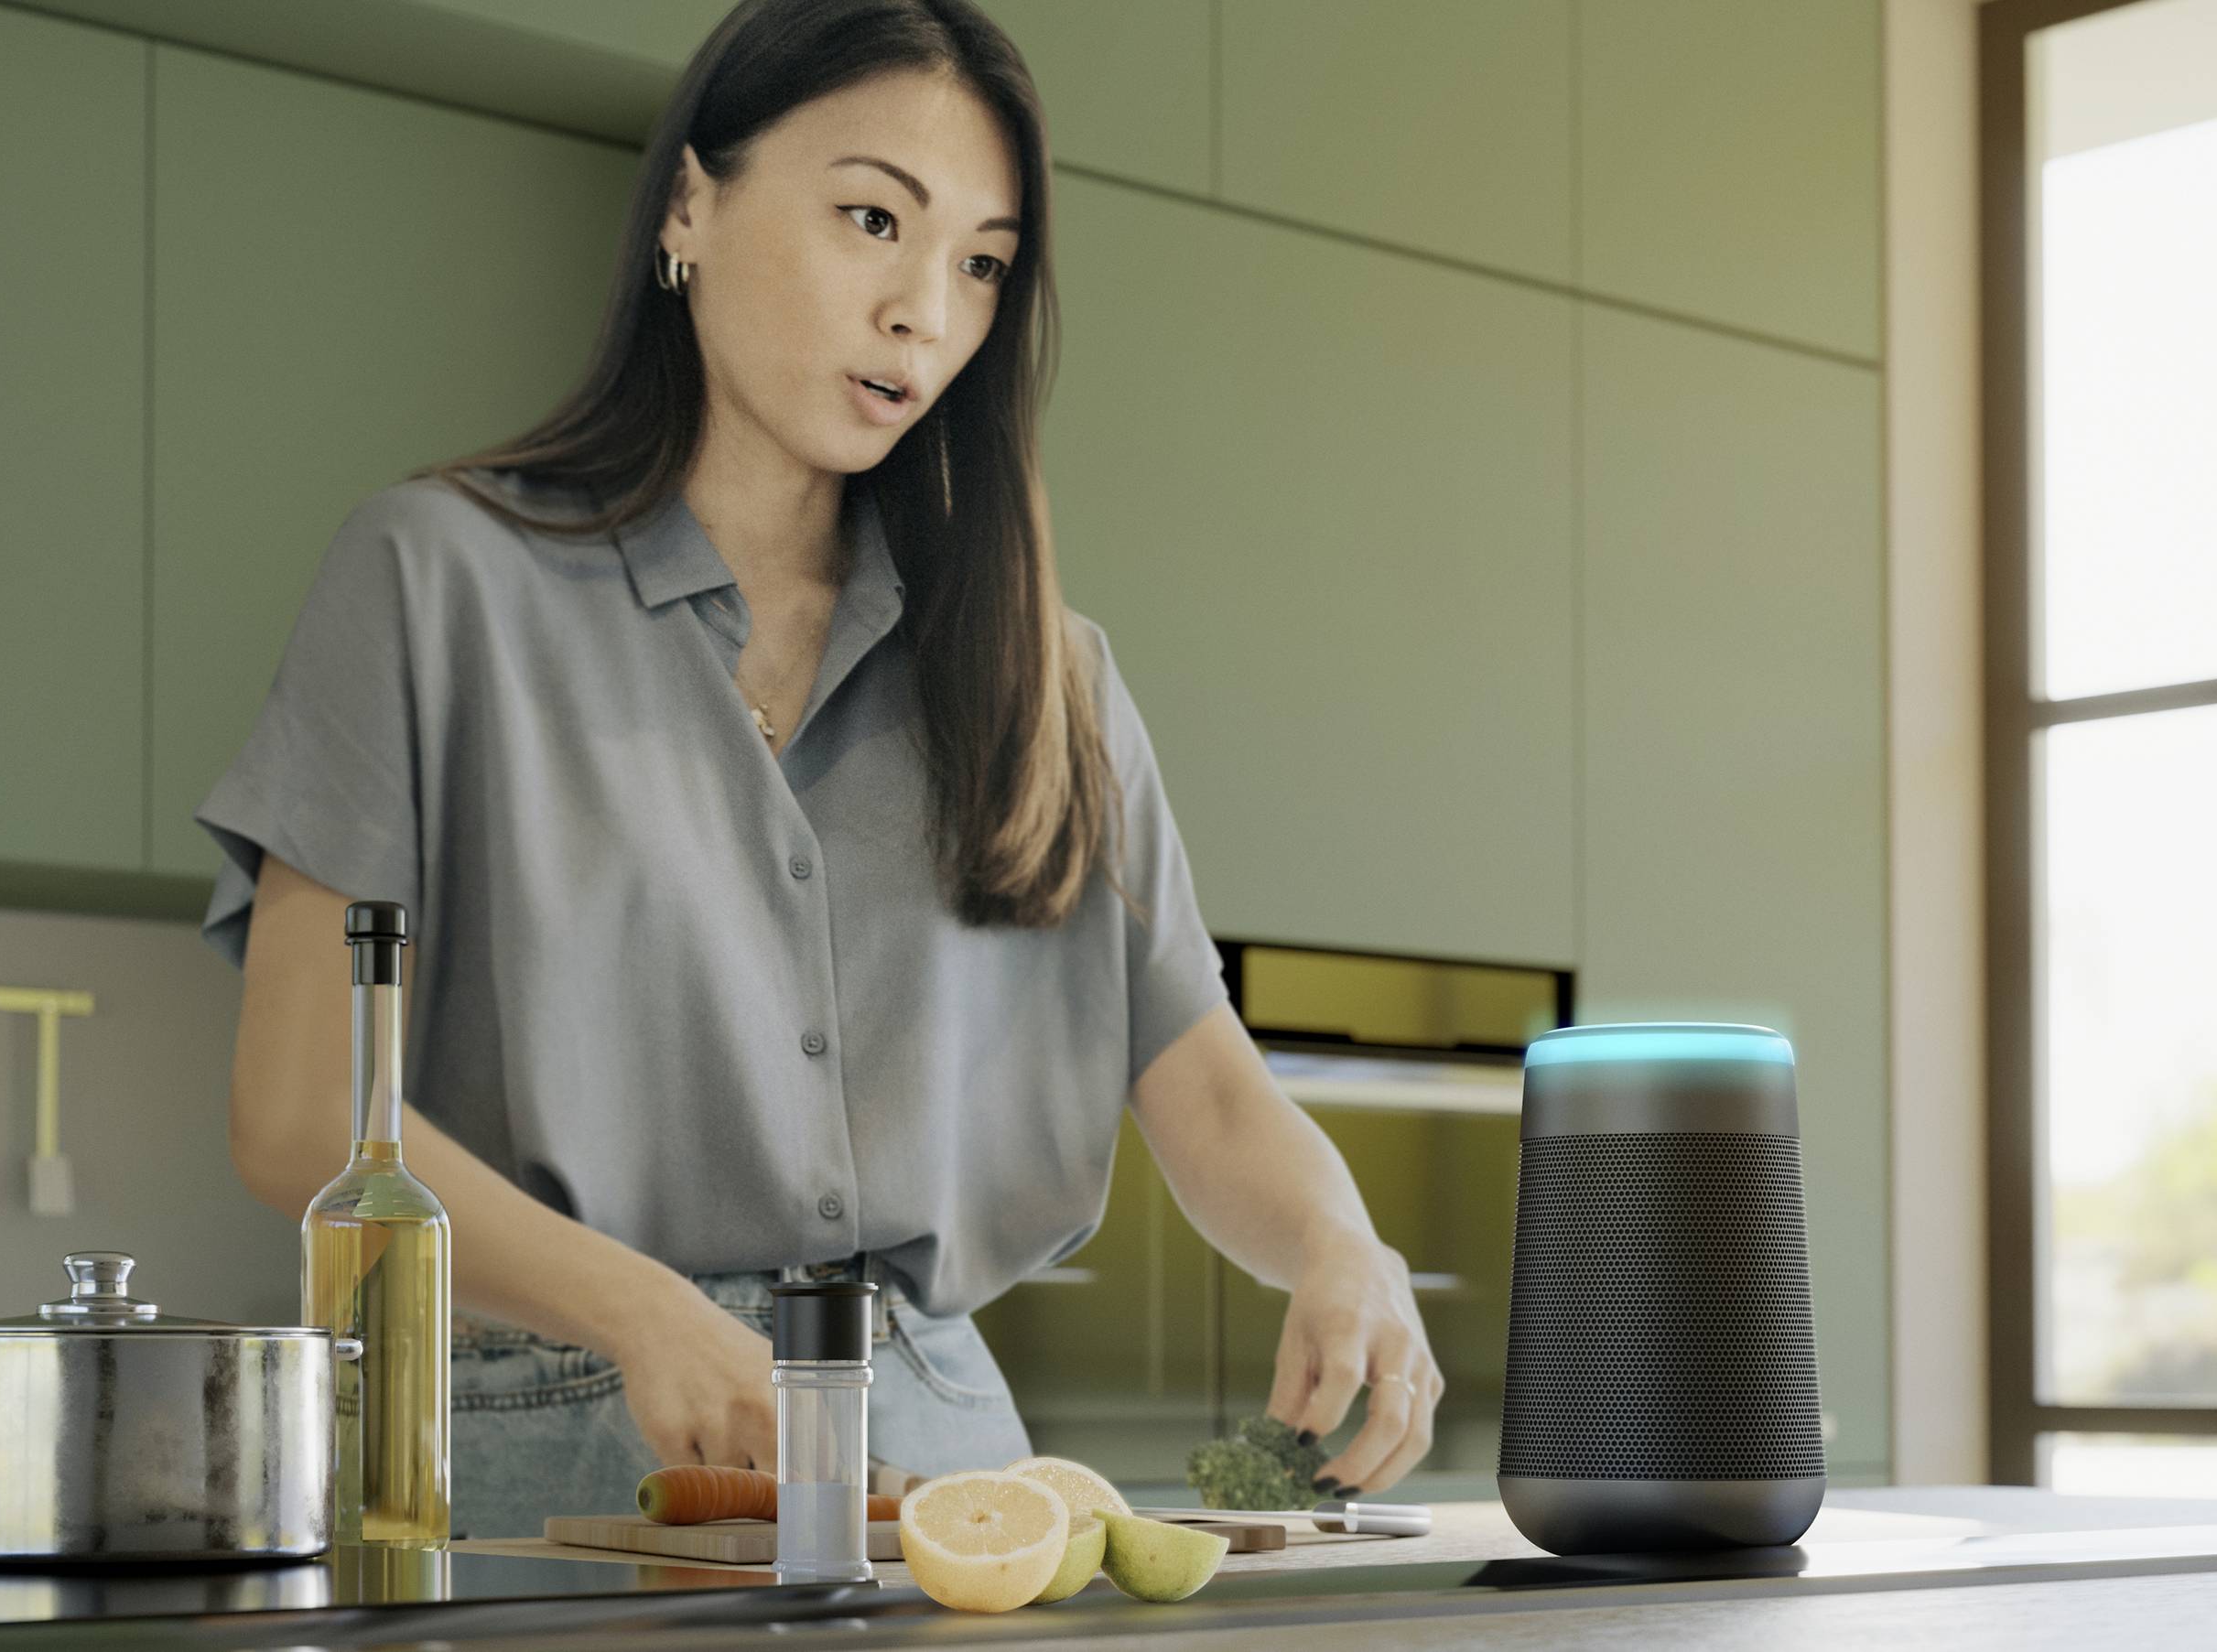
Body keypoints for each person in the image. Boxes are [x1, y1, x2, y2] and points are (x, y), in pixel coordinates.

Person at [193, 0, 1440, 1541]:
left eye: (981, 265)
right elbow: (301, 1109)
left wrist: (1342, 1242)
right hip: (530, 1464)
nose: (924, 312)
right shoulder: (435, 581)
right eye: (874, 220)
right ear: (689, 205)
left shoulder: (1049, 678)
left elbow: (1214, 1097)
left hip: (946, 1479)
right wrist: (639, 1311)